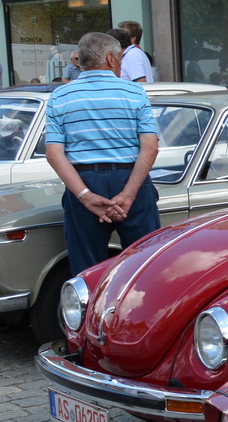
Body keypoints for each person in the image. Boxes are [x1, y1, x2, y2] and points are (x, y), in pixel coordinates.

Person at [42, 32, 161, 275]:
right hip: (131, 179)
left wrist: (85, 196)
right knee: (145, 264)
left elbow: (54, 154)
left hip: (83, 181)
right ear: (110, 58)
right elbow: (150, 147)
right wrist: (128, 194)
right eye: (119, 58)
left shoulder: (60, 96)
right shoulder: (135, 93)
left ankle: (88, 311)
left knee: (87, 268)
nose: (120, 63)